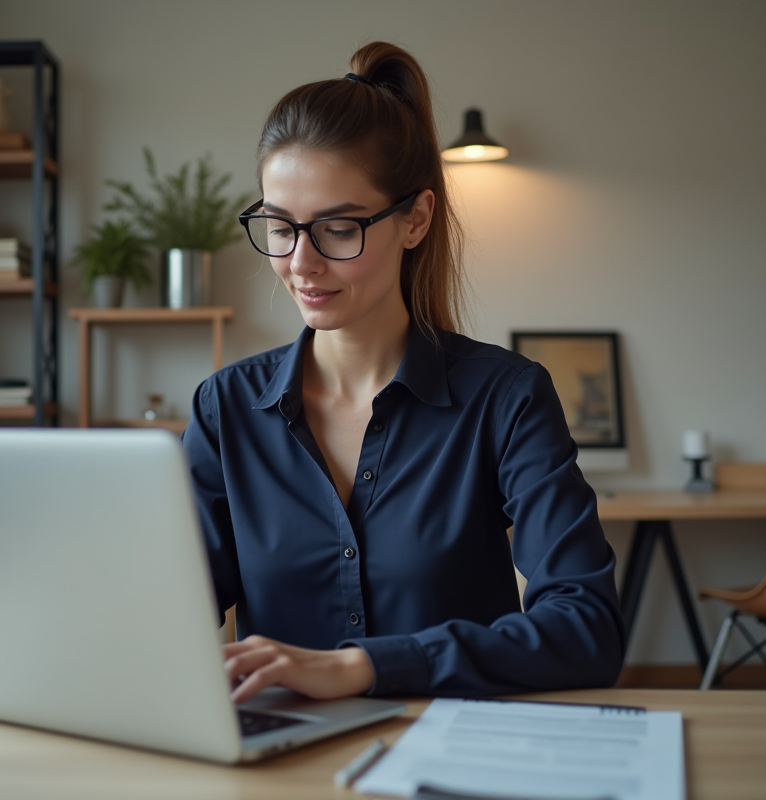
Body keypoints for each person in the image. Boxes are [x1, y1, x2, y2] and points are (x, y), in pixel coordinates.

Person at [181, 42, 625, 702]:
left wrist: (362, 667)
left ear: (414, 219)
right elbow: (168, 611)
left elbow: (586, 630)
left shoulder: (506, 398)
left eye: (336, 228)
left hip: (453, 753)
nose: (300, 263)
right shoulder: (225, 409)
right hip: (281, 766)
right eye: (279, 226)